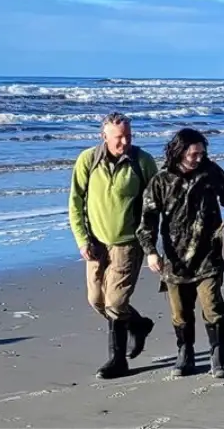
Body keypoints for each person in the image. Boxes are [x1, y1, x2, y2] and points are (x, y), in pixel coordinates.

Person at [137, 127, 224, 378]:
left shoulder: (210, 171)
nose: (199, 158)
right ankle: (185, 353)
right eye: (194, 154)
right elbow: (147, 219)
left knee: (213, 306)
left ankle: (218, 356)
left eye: (202, 153)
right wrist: (151, 252)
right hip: (175, 260)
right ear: (180, 152)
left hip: (208, 254)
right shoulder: (161, 180)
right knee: (180, 312)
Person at [67, 112, 159, 379]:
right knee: (96, 300)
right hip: (96, 243)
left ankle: (117, 361)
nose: (124, 142)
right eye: (119, 137)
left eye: (128, 136)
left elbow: (155, 204)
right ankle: (139, 325)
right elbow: (75, 202)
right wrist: (82, 239)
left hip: (128, 243)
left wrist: (151, 243)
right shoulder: (88, 160)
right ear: (104, 136)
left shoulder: (142, 162)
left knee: (116, 303)